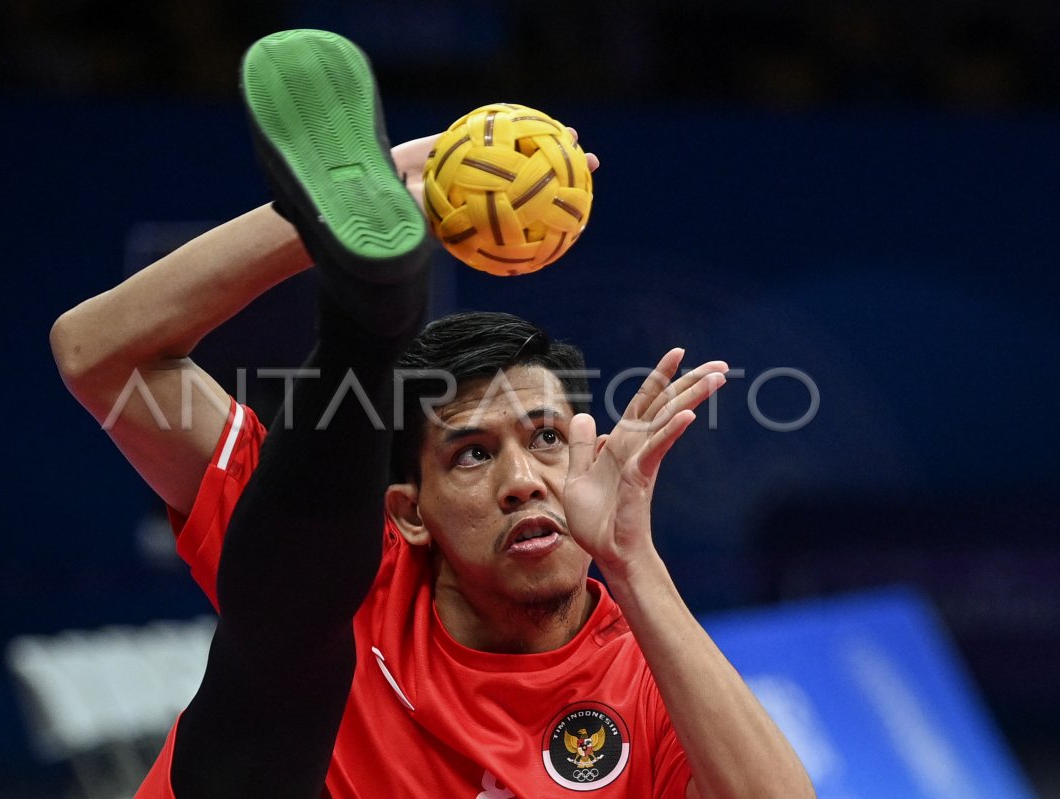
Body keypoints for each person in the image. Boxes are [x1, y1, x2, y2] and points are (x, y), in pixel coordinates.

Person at [51, 29, 814, 799]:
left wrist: (633, 561)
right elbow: (98, 353)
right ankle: (366, 295)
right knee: (297, 618)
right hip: (271, 717)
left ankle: (367, 314)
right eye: (473, 453)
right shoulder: (357, 566)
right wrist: (359, 198)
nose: (523, 481)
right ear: (409, 512)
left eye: (547, 437)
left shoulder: (645, 679)